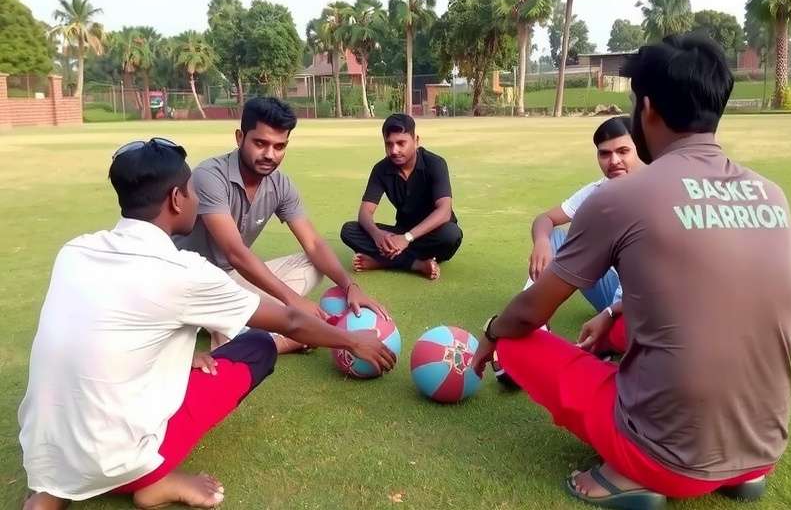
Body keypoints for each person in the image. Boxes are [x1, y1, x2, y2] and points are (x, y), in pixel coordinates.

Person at [471, 34, 791, 508]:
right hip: (765, 447)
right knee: (635, 328)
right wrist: (614, 312)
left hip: (666, 459)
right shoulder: (771, 194)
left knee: (517, 341)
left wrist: (493, 330)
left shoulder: (621, 197)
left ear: (646, 108)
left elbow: (530, 311)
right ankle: (738, 474)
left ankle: (628, 472)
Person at [18, 138, 395, 510]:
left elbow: (104, 335)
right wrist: (350, 340)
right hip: (123, 463)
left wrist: (178, 358)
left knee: (89, 415)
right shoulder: (183, 272)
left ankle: (52, 495)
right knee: (258, 347)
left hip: (42, 452)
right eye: (193, 190)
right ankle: (156, 482)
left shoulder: (75, 250)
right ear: (177, 199)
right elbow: (292, 320)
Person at [174, 97, 384, 352]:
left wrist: (350, 286)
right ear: (240, 137)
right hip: (192, 282)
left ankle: (249, 323)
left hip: (233, 278)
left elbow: (314, 244)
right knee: (233, 325)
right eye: (260, 143)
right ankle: (279, 339)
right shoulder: (210, 176)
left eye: (279, 146)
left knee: (311, 264)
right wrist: (292, 300)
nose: (269, 155)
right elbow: (235, 253)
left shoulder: (280, 185)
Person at [526, 116, 641, 314]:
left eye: (623, 151)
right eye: (605, 154)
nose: (614, 161)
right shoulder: (597, 190)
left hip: (648, 304)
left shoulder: (659, 192)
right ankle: (533, 317)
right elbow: (545, 218)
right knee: (553, 236)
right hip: (612, 291)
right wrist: (542, 243)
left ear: (641, 149)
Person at [340, 114, 463, 280]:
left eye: (401, 143)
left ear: (416, 140)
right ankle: (417, 265)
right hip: (400, 233)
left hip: (433, 234)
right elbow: (365, 212)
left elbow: (444, 211)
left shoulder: (435, 163)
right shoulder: (381, 169)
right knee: (349, 230)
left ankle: (382, 262)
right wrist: (378, 235)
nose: (394, 150)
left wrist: (407, 238)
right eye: (389, 144)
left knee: (451, 234)